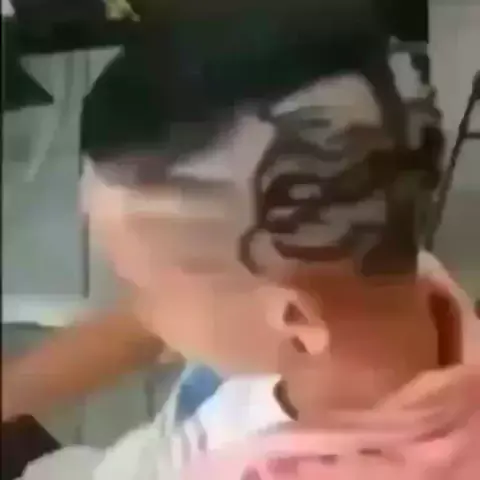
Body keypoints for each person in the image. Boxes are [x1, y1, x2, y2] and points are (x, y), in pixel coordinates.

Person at [11, 1, 480, 479]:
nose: (137, 309)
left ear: (294, 317)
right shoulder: (373, 260)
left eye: (142, 288)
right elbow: (146, 327)